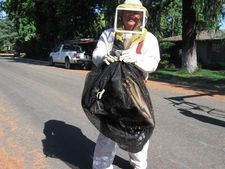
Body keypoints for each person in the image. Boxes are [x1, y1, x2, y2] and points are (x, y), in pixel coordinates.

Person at [91, 0, 160, 169]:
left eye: (136, 12)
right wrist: (103, 57)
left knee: (137, 132)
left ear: (142, 16)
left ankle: (139, 166)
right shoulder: (109, 34)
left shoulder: (149, 38)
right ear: (121, 14)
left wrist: (136, 58)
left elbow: (153, 62)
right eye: (128, 11)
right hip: (110, 92)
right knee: (107, 132)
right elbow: (97, 53)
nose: (132, 15)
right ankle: (101, 166)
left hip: (136, 94)